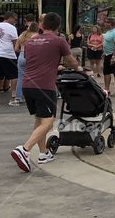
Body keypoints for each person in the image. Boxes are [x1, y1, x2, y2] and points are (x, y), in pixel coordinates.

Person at [9, 12, 81, 171]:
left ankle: (44, 153)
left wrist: (53, 66)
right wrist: (79, 69)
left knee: (39, 120)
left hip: (28, 84)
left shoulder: (30, 41)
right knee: (48, 121)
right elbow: (71, 60)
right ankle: (24, 149)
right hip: (44, 86)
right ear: (58, 26)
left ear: (42, 25)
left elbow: (35, 60)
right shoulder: (59, 41)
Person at [0, 11, 19, 105]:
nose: (15, 21)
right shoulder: (12, 28)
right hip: (8, 54)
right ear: (10, 18)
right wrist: (17, 51)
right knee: (13, 76)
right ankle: (13, 97)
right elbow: (15, 43)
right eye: (15, 19)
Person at [10, 21, 40, 107]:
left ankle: (18, 97)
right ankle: (32, 97)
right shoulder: (37, 36)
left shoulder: (22, 35)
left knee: (20, 78)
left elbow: (16, 49)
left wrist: (22, 52)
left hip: (21, 56)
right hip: (32, 57)